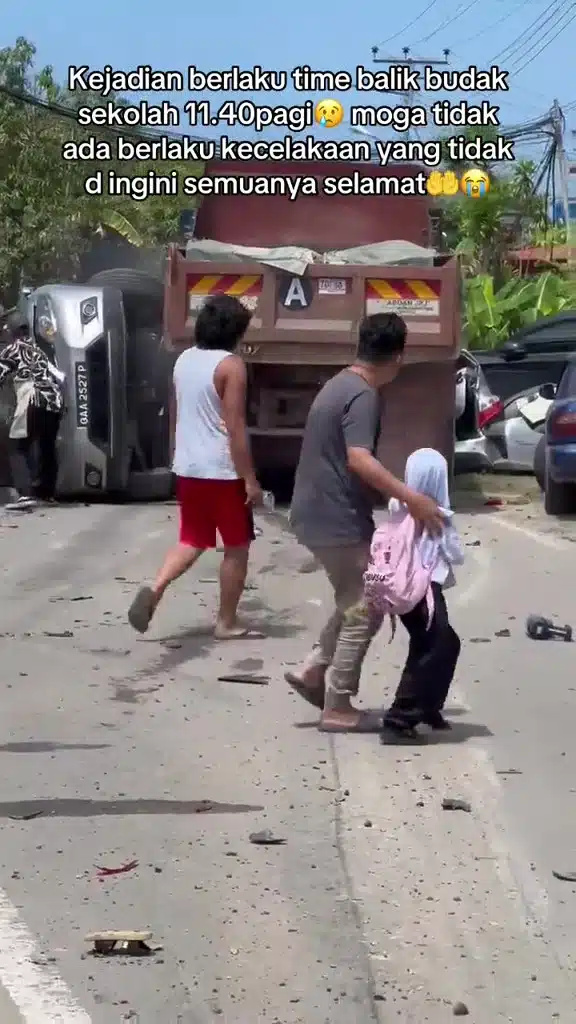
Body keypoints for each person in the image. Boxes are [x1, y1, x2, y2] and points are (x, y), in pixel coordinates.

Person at [287, 312, 444, 733]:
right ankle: (337, 703)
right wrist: (413, 500)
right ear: (398, 356)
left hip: (315, 512)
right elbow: (359, 459)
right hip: (333, 516)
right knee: (366, 606)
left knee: (352, 598)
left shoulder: (340, 384)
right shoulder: (364, 394)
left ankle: (314, 671)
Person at [128, 293, 264, 638]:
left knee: (192, 538)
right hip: (222, 470)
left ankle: (156, 587)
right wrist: (250, 479)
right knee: (237, 546)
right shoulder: (231, 366)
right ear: (235, 331)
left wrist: (177, 454)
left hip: (189, 466)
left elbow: (175, 413)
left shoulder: (184, 360)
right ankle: (226, 622)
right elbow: (235, 427)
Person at [382, 448, 463, 741]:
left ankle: (429, 706)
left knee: (445, 642)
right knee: (433, 645)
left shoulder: (397, 506)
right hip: (425, 589)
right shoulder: (437, 514)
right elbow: (456, 553)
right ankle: (400, 717)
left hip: (401, 589)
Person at [0, 311, 65, 511]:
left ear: (10, 332)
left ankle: (25, 494)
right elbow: (60, 378)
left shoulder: (12, 350)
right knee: (47, 447)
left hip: (33, 398)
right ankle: (47, 493)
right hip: (54, 401)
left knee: (17, 447)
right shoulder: (39, 350)